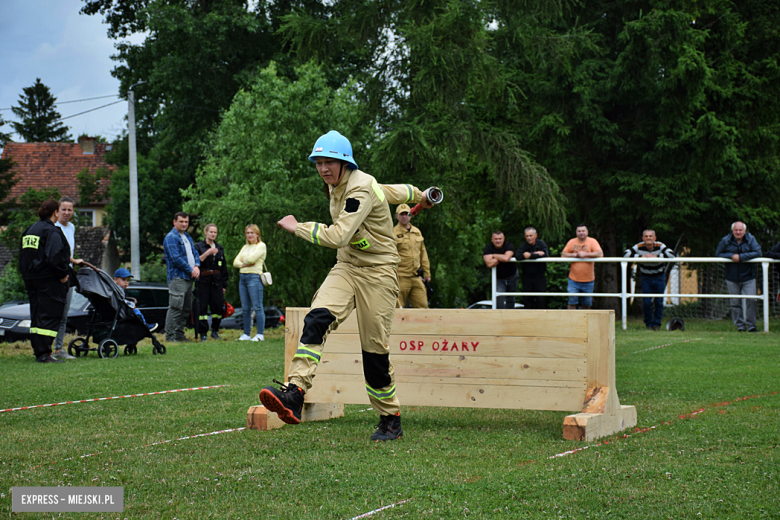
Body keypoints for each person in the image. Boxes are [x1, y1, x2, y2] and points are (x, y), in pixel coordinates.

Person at [259, 130, 433, 442]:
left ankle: (390, 418)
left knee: (374, 353)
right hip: (347, 266)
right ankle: (295, 392)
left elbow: (337, 235)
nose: (323, 169)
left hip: (379, 273)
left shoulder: (359, 189)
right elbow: (390, 191)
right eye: (319, 163)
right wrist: (417, 193)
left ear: (345, 163)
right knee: (316, 319)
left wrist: (296, 226)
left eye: (330, 162)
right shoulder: (343, 184)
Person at [18, 199, 71, 363]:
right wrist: (63, 274)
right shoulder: (51, 231)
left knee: (37, 315)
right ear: (55, 212)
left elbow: (22, 255)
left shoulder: (30, 230)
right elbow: (54, 257)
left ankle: (39, 351)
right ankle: (45, 353)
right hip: (48, 279)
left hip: (30, 277)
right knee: (50, 314)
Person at [623, 230, 675, 330]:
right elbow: (625, 254)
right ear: (643, 238)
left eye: (650, 236)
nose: (648, 238)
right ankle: (648, 324)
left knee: (659, 301)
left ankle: (657, 324)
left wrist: (657, 256)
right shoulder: (639, 246)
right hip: (645, 277)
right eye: (646, 236)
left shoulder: (660, 245)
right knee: (646, 302)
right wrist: (641, 256)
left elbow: (672, 255)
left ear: (655, 238)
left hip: (659, 276)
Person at [715, 221, 762, 332]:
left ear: (744, 231)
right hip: (731, 277)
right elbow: (718, 254)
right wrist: (731, 256)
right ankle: (740, 326)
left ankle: (751, 326)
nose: (738, 232)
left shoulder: (751, 239)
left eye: (740, 230)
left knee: (752, 300)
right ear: (733, 230)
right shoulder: (725, 240)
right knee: (735, 303)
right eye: (736, 230)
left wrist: (741, 257)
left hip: (748, 277)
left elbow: (758, 252)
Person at [53, 196, 84, 359]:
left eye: (69, 209)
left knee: (64, 314)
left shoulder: (71, 227)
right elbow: (57, 254)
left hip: (68, 274)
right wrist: (73, 260)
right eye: (63, 209)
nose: (66, 212)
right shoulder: (53, 228)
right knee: (54, 313)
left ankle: (58, 349)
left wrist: (73, 261)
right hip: (57, 276)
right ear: (57, 211)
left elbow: (68, 252)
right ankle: (47, 349)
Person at [163, 212, 200, 342]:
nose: (184, 224)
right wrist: (192, 270)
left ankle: (179, 335)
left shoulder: (187, 237)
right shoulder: (171, 237)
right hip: (178, 277)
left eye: (186, 222)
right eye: (181, 221)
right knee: (175, 307)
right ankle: (170, 336)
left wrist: (196, 266)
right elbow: (175, 259)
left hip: (189, 277)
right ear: (174, 222)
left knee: (186, 308)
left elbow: (195, 253)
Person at [232, 224, 267, 341]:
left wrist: (244, 261)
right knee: (245, 308)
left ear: (257, 234)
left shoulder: (261, 246)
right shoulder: (245, 247)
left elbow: (252, 259)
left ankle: (260, 334)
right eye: (248, 233)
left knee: (257, 306)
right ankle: (246, 334)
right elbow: (235, 262)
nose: (250, 235)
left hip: (254, 277)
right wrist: (245, 263)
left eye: (252, 233)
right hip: (243, 278)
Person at [194, 224, 229, 341]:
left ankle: (215, 331)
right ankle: (203, 333)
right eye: (211, 232)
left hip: (217, 282)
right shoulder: (199, 246)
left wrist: (224, 285)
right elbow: (196, 261)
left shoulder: (220, 248)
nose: (213, 234)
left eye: (215, 232)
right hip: (203, 281)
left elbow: (224, 268)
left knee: (217, 307)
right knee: (202, 308)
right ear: (206, 232)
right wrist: (208, 253)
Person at [393, 203, 431, 308]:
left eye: (407, 214)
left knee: (423, 308)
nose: (404, 216)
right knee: (397, 309)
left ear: (411, 215)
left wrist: (427, 272)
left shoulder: (417, 232)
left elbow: (423, 253)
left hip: (416, 277)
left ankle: (422, 325)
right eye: (402, 214)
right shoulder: (392, 233)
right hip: (400, 277)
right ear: (397, 216)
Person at [561, 224, 603, 310]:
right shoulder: (572, 242)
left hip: (589, 280)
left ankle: (584, 322)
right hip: (573, 279)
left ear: (587, 232)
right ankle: (572, 321)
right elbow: (563, 255)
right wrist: (574, 255)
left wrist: (585, 254)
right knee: (572, 301)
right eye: (579, 231)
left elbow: (600, 254)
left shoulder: (592, 241)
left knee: (587, 303)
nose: (581, 233)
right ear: (576, 233)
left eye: (583, 231)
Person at [482, 231, 518, 309]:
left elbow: (506, 258)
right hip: (498, 278)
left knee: (511, 298)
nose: (498, 241)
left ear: (503, 239)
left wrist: (494, 255)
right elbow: (489, 264)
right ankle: (499, 316)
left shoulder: (509, 245)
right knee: (499, 298)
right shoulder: (488, 248)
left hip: (512, 275)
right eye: (496, 239)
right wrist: (501, 257)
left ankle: (509, 316)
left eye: (500, 239)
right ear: (492, 239)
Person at [517, 227, 549, 309]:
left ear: (536, 235)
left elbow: (546, 254)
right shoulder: (523, 245)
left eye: (531, 235)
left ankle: (541, 318)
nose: (529, 238)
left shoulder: (541, 244)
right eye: (527, 236)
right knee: (527, 299)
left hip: (540, 277)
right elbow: (518, 256)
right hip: (527, 277)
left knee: (540, 299)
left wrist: (530, 255)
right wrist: (536, 254)